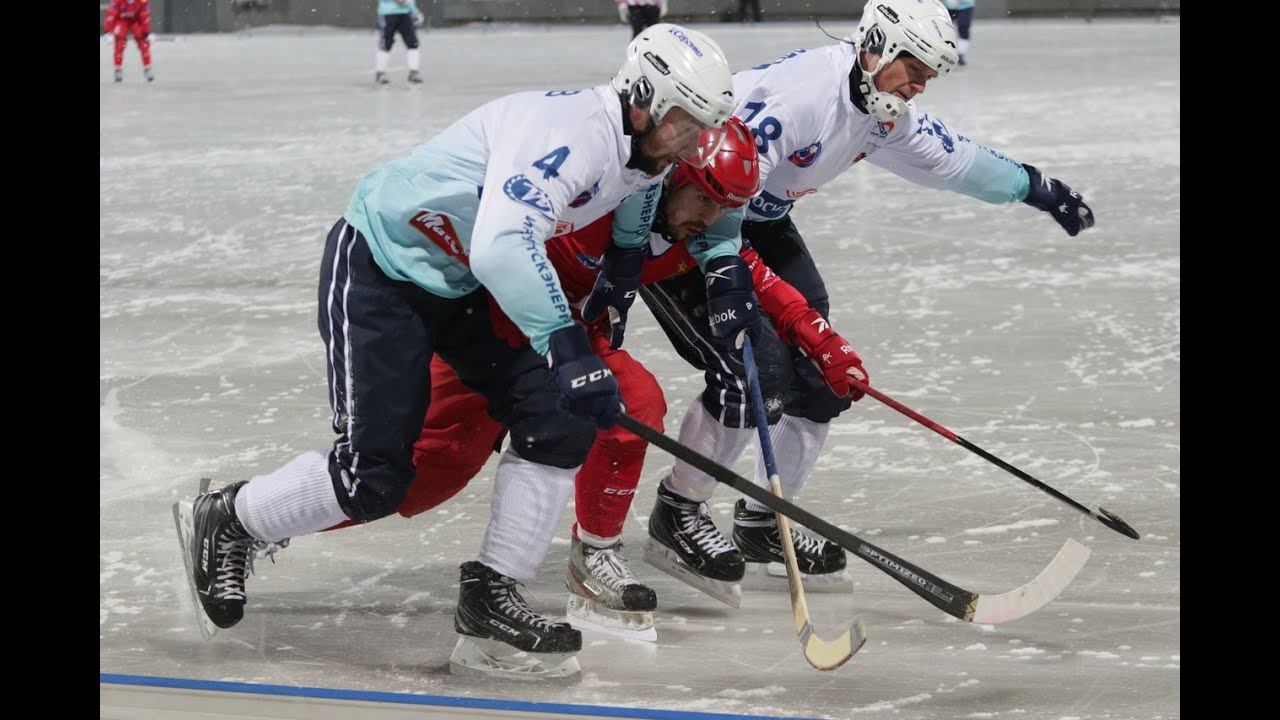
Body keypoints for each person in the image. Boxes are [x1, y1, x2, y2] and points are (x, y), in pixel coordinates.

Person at [173, 23, 737, 680]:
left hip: (456, 278)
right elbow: (504, 242)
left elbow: (632, 220)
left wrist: (621, 283)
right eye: (684, 123)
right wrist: (570, 350)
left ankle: (494, 594)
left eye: (703, 129)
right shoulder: (574, 135)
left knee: (555, 413)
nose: (693, 143)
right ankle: (233, 517)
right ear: (640, 98)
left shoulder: (644, 157)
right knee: (373, 481)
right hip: (381, 268)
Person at [633, 0, 1096, 602]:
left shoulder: (881, 110)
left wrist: (1036, 188)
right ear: (875, 45)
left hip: (756, 222)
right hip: (688, 222)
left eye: (932, 74)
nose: (923, 85)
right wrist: (727, 280)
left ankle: (762, 518)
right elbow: (706, 187)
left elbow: (953, 160)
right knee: (756, 372)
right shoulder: (803, 100)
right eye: (916, 68)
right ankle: (679, 508)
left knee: (822, 378)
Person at [317, 116, 764, 642]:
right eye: (705, 199)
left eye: (724, 208)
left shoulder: (688, 227)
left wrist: (817, 340)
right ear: (671, 177)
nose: (711, 218)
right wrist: (559, 356)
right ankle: (257, 516)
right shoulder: (595, 202)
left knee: (635, 401)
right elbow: (505, 264)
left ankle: (593, 556)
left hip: (570, 348)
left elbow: (747, 263)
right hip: (497, 341)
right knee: (414, 484)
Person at [376, 0, 425, 84]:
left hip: (405, 14)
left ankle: (413, 72)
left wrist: (416, 11)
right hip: (388, 13)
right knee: (385, 44)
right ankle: (380, 73)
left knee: (413, 43)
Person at [104, 0, 153, 83]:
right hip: (121, 20)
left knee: (143, 43)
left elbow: (144, 15)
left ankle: (147, 68)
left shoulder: (142, 1)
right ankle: (118, 69)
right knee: (120, 43)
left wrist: (146, 31)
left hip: (136, 21)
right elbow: (111, 14)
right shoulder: (117, 1)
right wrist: (108, 31)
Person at [941, 1, 976, 65]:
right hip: (944, 5)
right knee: (942, 29)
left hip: (965, 5)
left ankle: (961, 54)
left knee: (963, 28)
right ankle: (942, 52)